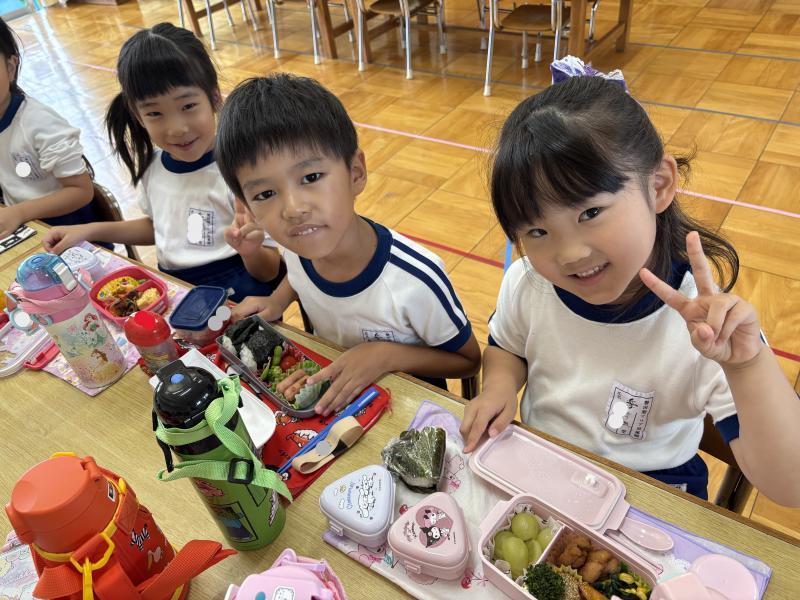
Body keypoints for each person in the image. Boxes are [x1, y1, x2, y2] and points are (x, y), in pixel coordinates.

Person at [460, 57, 800, 506]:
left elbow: (790, 486)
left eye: (590, 212)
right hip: (544, 472)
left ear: (658, 185)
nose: (569, 254)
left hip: (652, 498)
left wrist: (747, 366)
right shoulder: (529, 284)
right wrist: (499, 386)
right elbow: (507, 346)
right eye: (537, 232)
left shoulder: (709, 328)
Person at [215, 73, 481, 416]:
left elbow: (468, 361)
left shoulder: (415, 279)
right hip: (337, 400)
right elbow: (297, 274)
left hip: (408, 413)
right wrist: (278, 299)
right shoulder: (298, 247)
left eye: (311, 177)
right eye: (265, 194)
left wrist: (386, 355)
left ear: (355, 172)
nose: (293, 209)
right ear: (248, 206)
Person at [42, 23, 281, 302]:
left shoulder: (242, 171)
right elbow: (160, 228)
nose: (177, 128)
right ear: (137, 115)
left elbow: (269, 271)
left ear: (214, 97)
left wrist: (251, 251)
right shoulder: (153, 167)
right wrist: (86, 230)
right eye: (155, 113)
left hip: (238, 290)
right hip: (176, 288)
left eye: (188, 106)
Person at [0, 16, 95, 238]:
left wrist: (19, 212)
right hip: (23, 229)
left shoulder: (38, 122)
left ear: (10, 67)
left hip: (69, 236)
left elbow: (81, 191)